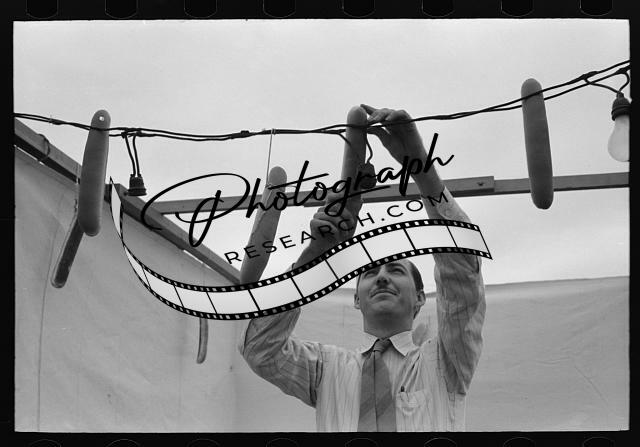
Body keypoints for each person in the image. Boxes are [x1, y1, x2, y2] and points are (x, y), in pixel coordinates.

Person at [238, 105, 486, 432]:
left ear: (420, 298)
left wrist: (420, 166)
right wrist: (315, 257)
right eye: (369, 274)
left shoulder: (445, 362)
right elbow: (259, 350)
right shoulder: (327, 368)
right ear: (357, 300)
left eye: (396, 270)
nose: (381, 277)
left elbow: (461, 271)